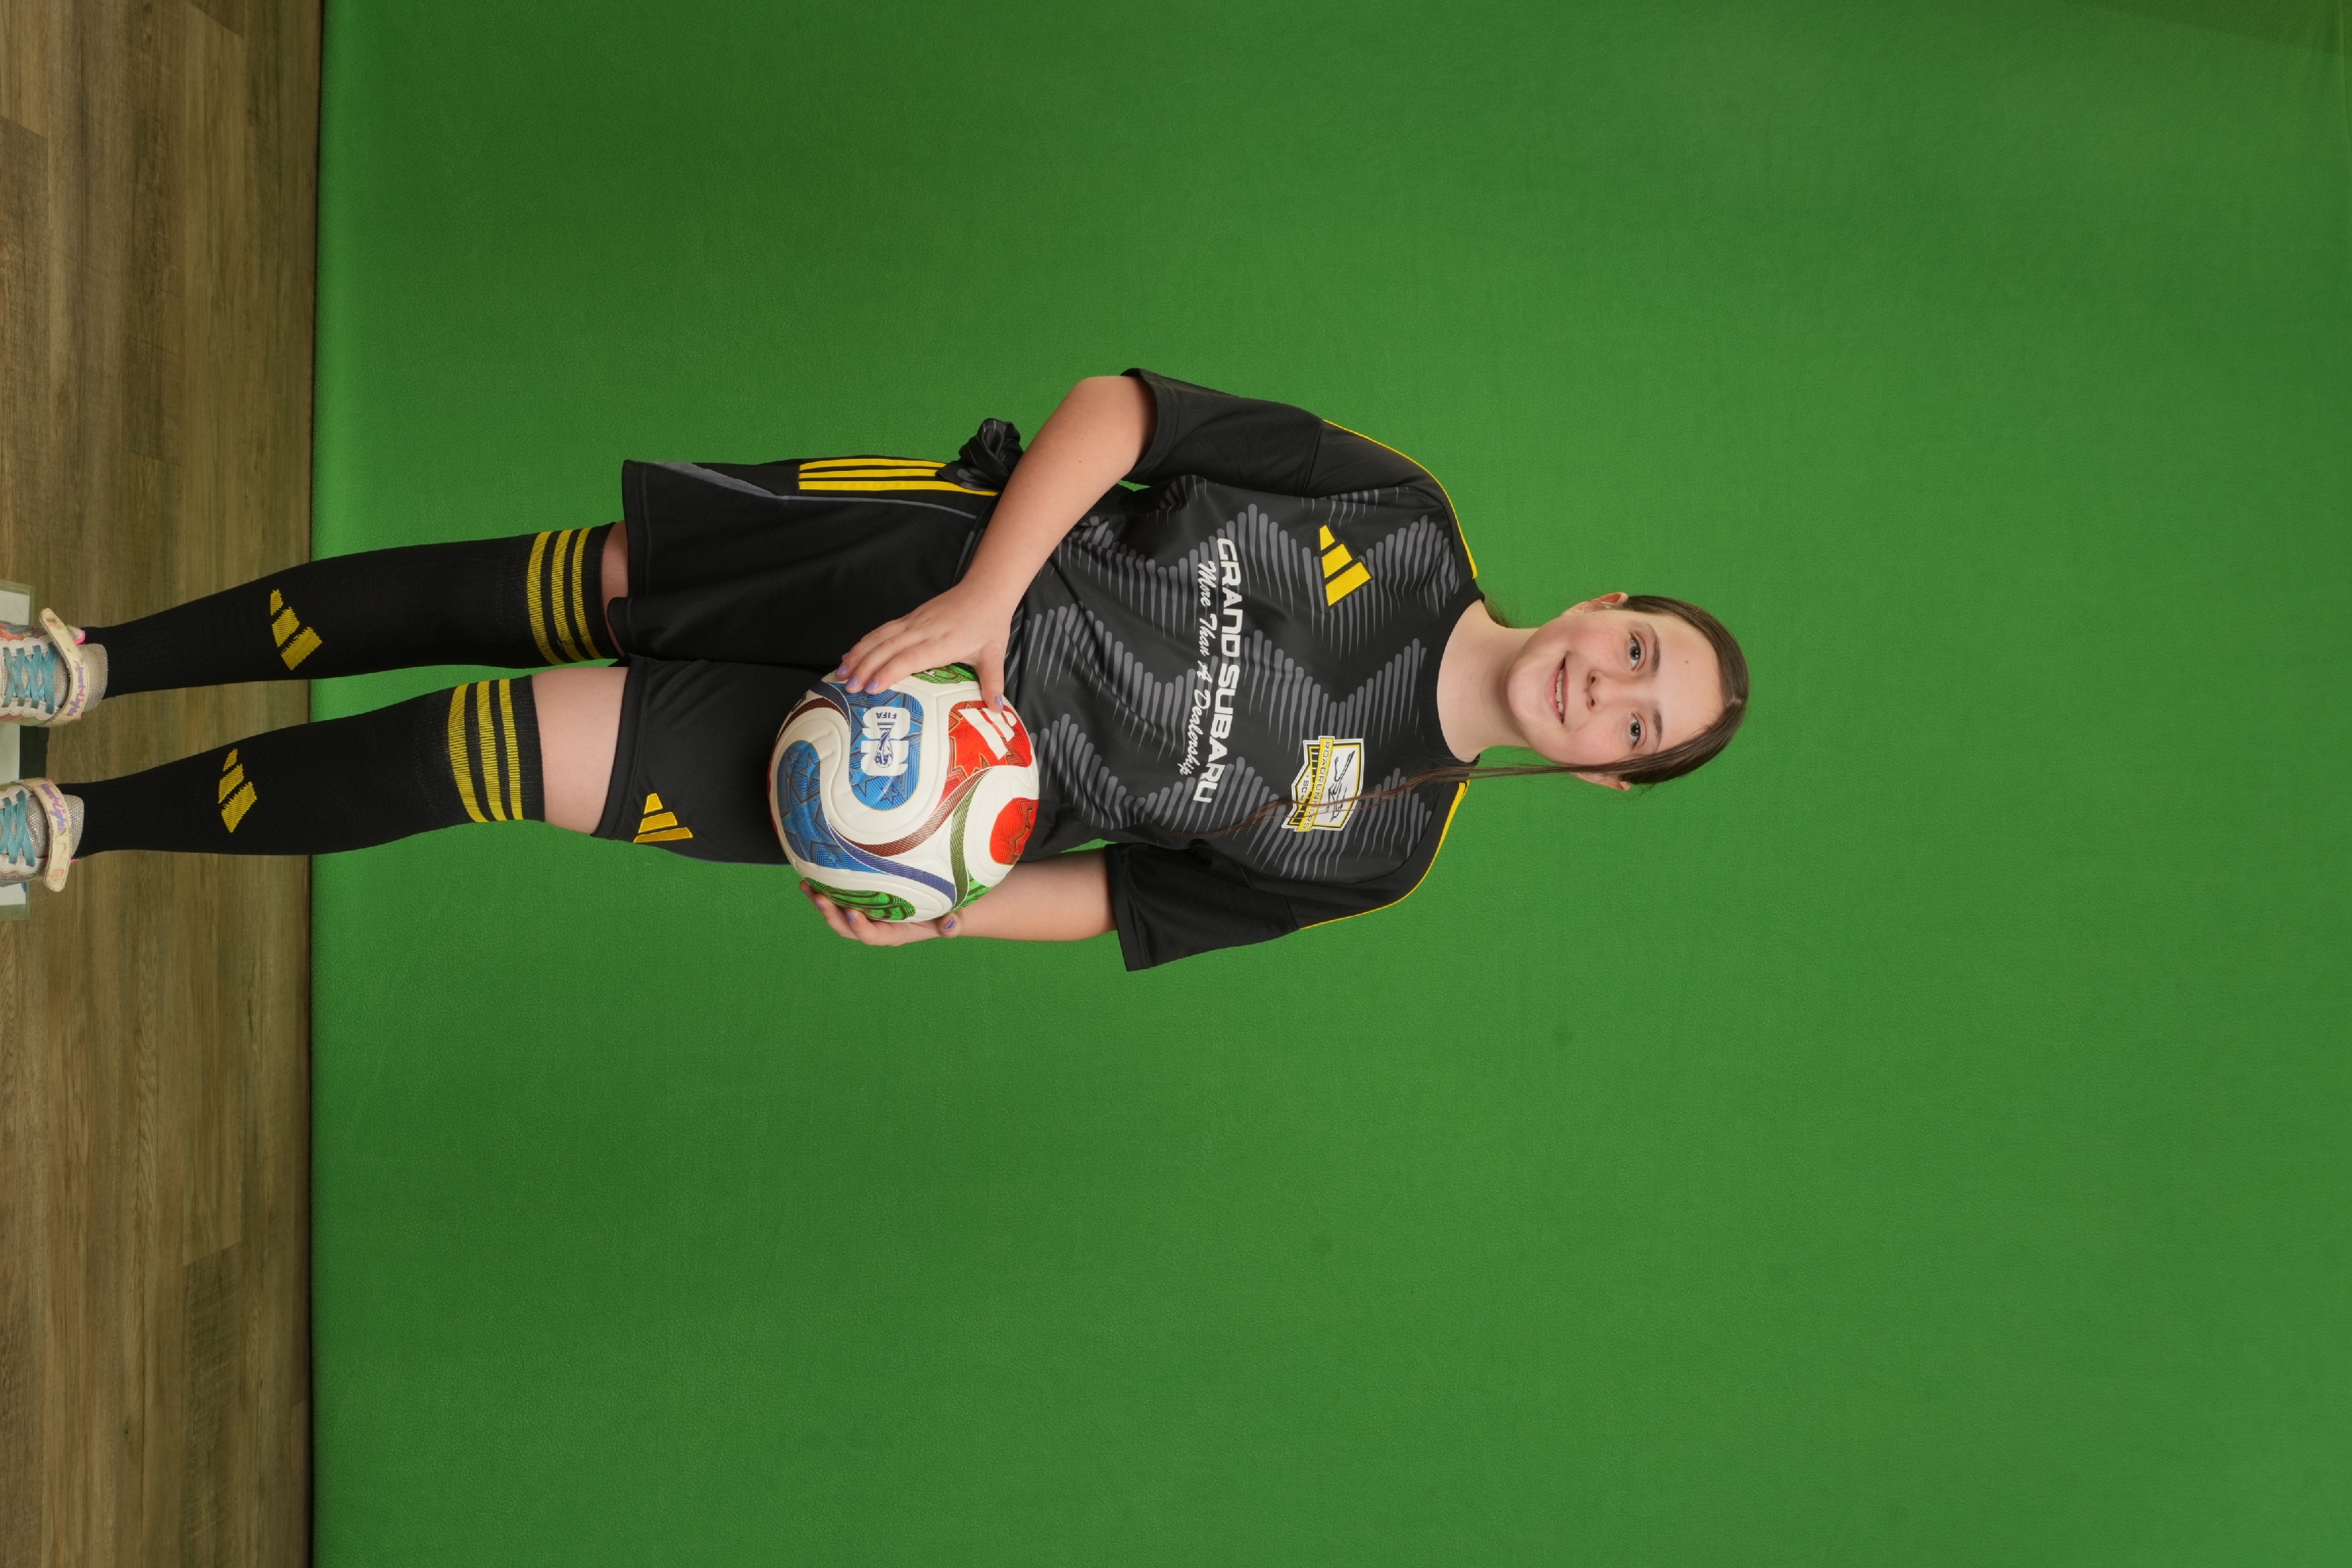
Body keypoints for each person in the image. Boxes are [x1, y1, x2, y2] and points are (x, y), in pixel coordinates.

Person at [0, 370, 1748, 968]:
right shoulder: (1400, 517)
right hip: (919, 568)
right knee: (525, 593)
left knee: (463, 756)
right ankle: (90, 662)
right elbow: (1126, 412)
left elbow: (1128, 899)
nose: (1610, 689)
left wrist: (943, 914)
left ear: (1607, 776)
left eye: (1641, 725)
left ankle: (71, 827)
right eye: (1639, 651)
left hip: (893, 780)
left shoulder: (1380, 850)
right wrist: (987, 596)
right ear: (1608, 604)